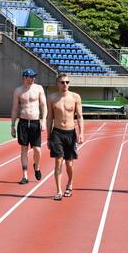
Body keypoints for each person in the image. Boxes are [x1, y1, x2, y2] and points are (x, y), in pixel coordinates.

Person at [47, 73, 84, 201]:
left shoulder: (75, 97)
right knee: (58, 161)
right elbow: (49, 118)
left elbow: (79, 116)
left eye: (67, 82)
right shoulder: (52, 98)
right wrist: (48, 137)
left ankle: (70, 183)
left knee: (69, 164)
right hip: (57, 132)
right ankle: (58, 190)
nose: (65, 85)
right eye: (62, 82)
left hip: (70, 133)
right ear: (57, 83)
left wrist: (81, 133)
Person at [11, 69, 47, 184]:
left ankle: (36, 167)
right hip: (23, 122)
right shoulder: (18, 91)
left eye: (34, 77)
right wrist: (12, 125)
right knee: (24, 149)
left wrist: (44, 120)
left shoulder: (39, 88)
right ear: (25, 77)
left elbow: (44, 105)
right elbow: (15, 109)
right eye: (31, 77)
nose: (33, 79)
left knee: (37, 149)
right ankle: (25, 175)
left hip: (35, 122)